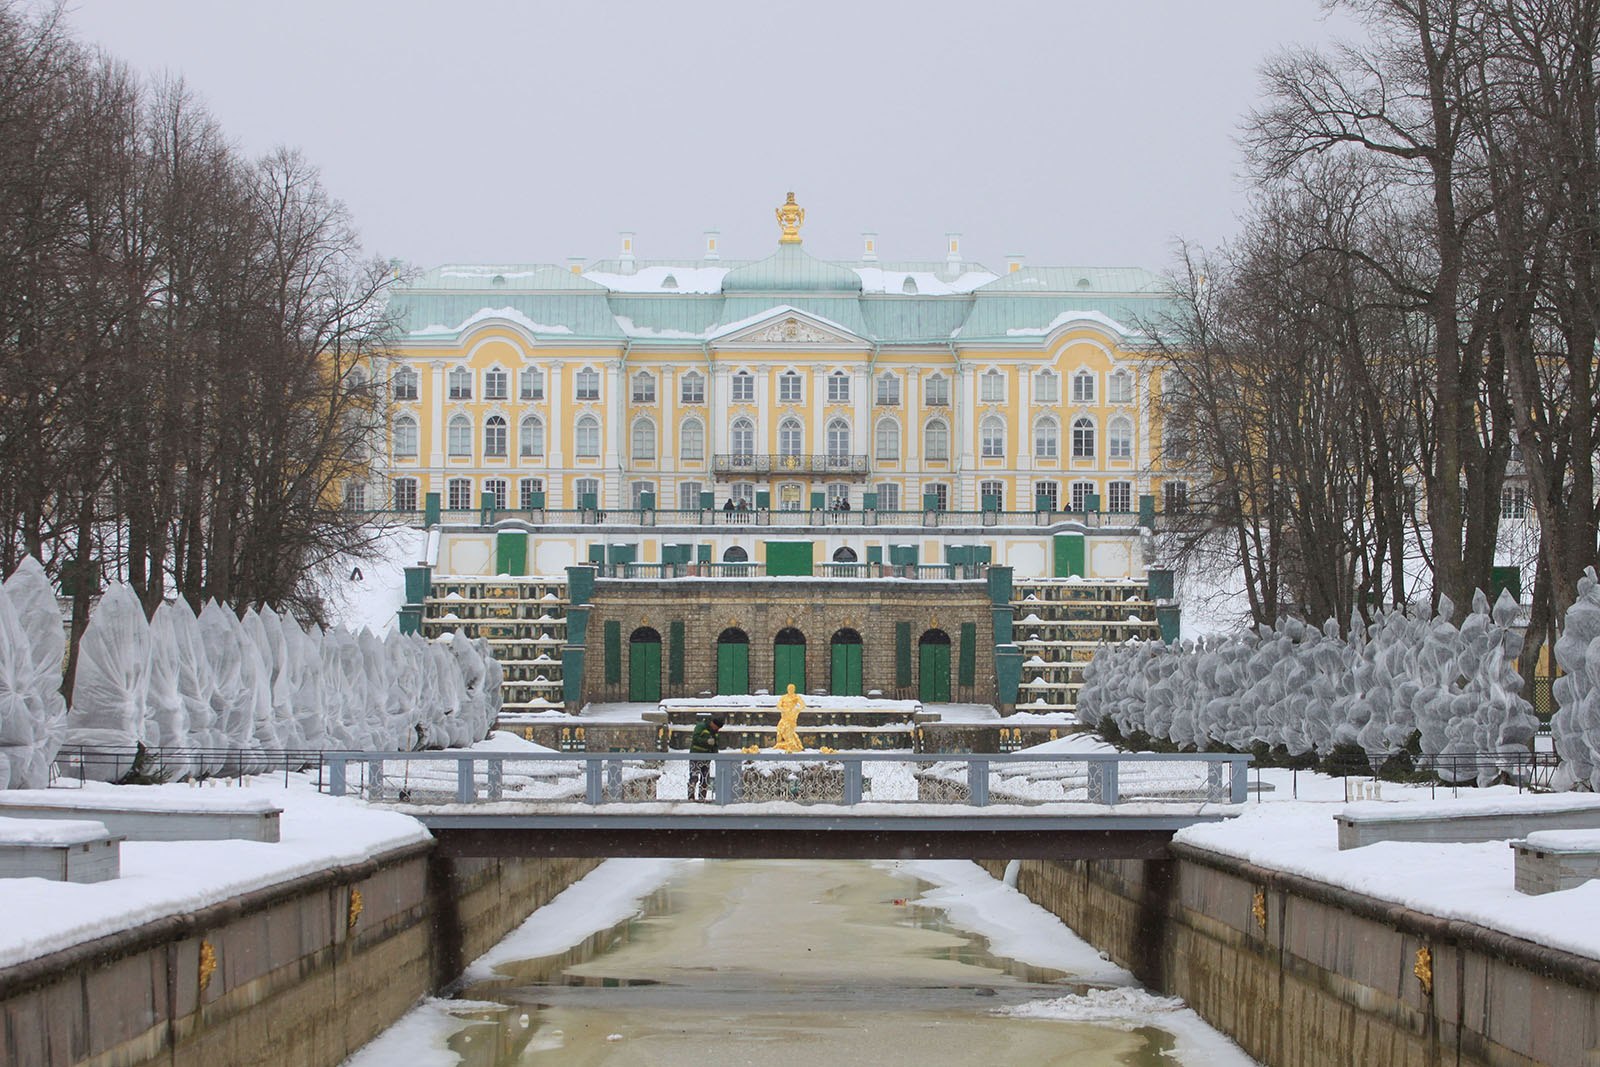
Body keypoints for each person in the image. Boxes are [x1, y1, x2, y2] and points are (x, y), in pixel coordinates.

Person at [688, 714, 724, 800]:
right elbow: (695, 738)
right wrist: (706, 741)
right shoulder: (701, 727)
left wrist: (716, 756)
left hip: (706, 759)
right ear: (712, 723)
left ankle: (702, 798)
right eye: (716, 727)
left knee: (705, 779)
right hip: (696, 756)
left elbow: (715, 745)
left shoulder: (715, 733)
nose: (717, 729)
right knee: (694, 777)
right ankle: (691, 798)